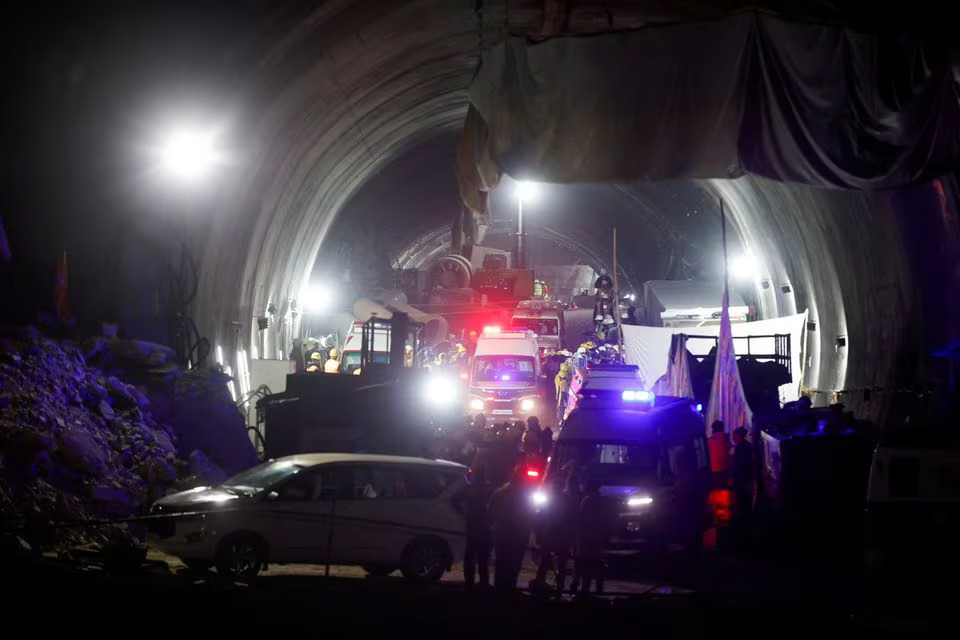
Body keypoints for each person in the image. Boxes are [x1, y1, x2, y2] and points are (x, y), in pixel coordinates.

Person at [487, 465, 532, 592]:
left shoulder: (501, 492)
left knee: (501, 564)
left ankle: (499, 591)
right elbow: (528, 516)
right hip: (517, 536)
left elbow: (490, 513)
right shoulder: (524, 496)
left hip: (502, 534)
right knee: (514, 566)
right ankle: (509, 591)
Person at [453, 467, 492, 588]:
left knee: (470, 556)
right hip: (485, 527)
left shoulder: (469, 489)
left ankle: (469, 581)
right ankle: (483, 582)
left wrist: (464, 512)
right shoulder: (488, 490)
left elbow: (454, 500)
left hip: (472, 525)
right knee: (483, 558)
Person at [575, 476, 609, 595]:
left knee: (586, 566)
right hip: (598, 538)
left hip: (588, 538)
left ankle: (585, 589)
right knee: (597, 564)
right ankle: (599, 588)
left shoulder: (587, 501)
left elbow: (582, 520)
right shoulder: (602, 501)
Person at [731, 426, 754, 545]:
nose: (733, 438)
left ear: (739, 436)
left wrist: (733, 476)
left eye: (734, 435)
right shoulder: (748, 446)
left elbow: (738, 465)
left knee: (742, 503)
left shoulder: (741, 447)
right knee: (746, 503)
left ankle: (743, 530)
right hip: (747, 479)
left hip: (742, 480)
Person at [707, 420, 730, 487]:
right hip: (725, 469)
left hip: (714, 469)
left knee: (715, 490)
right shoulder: (726, 438)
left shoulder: (710, 441)